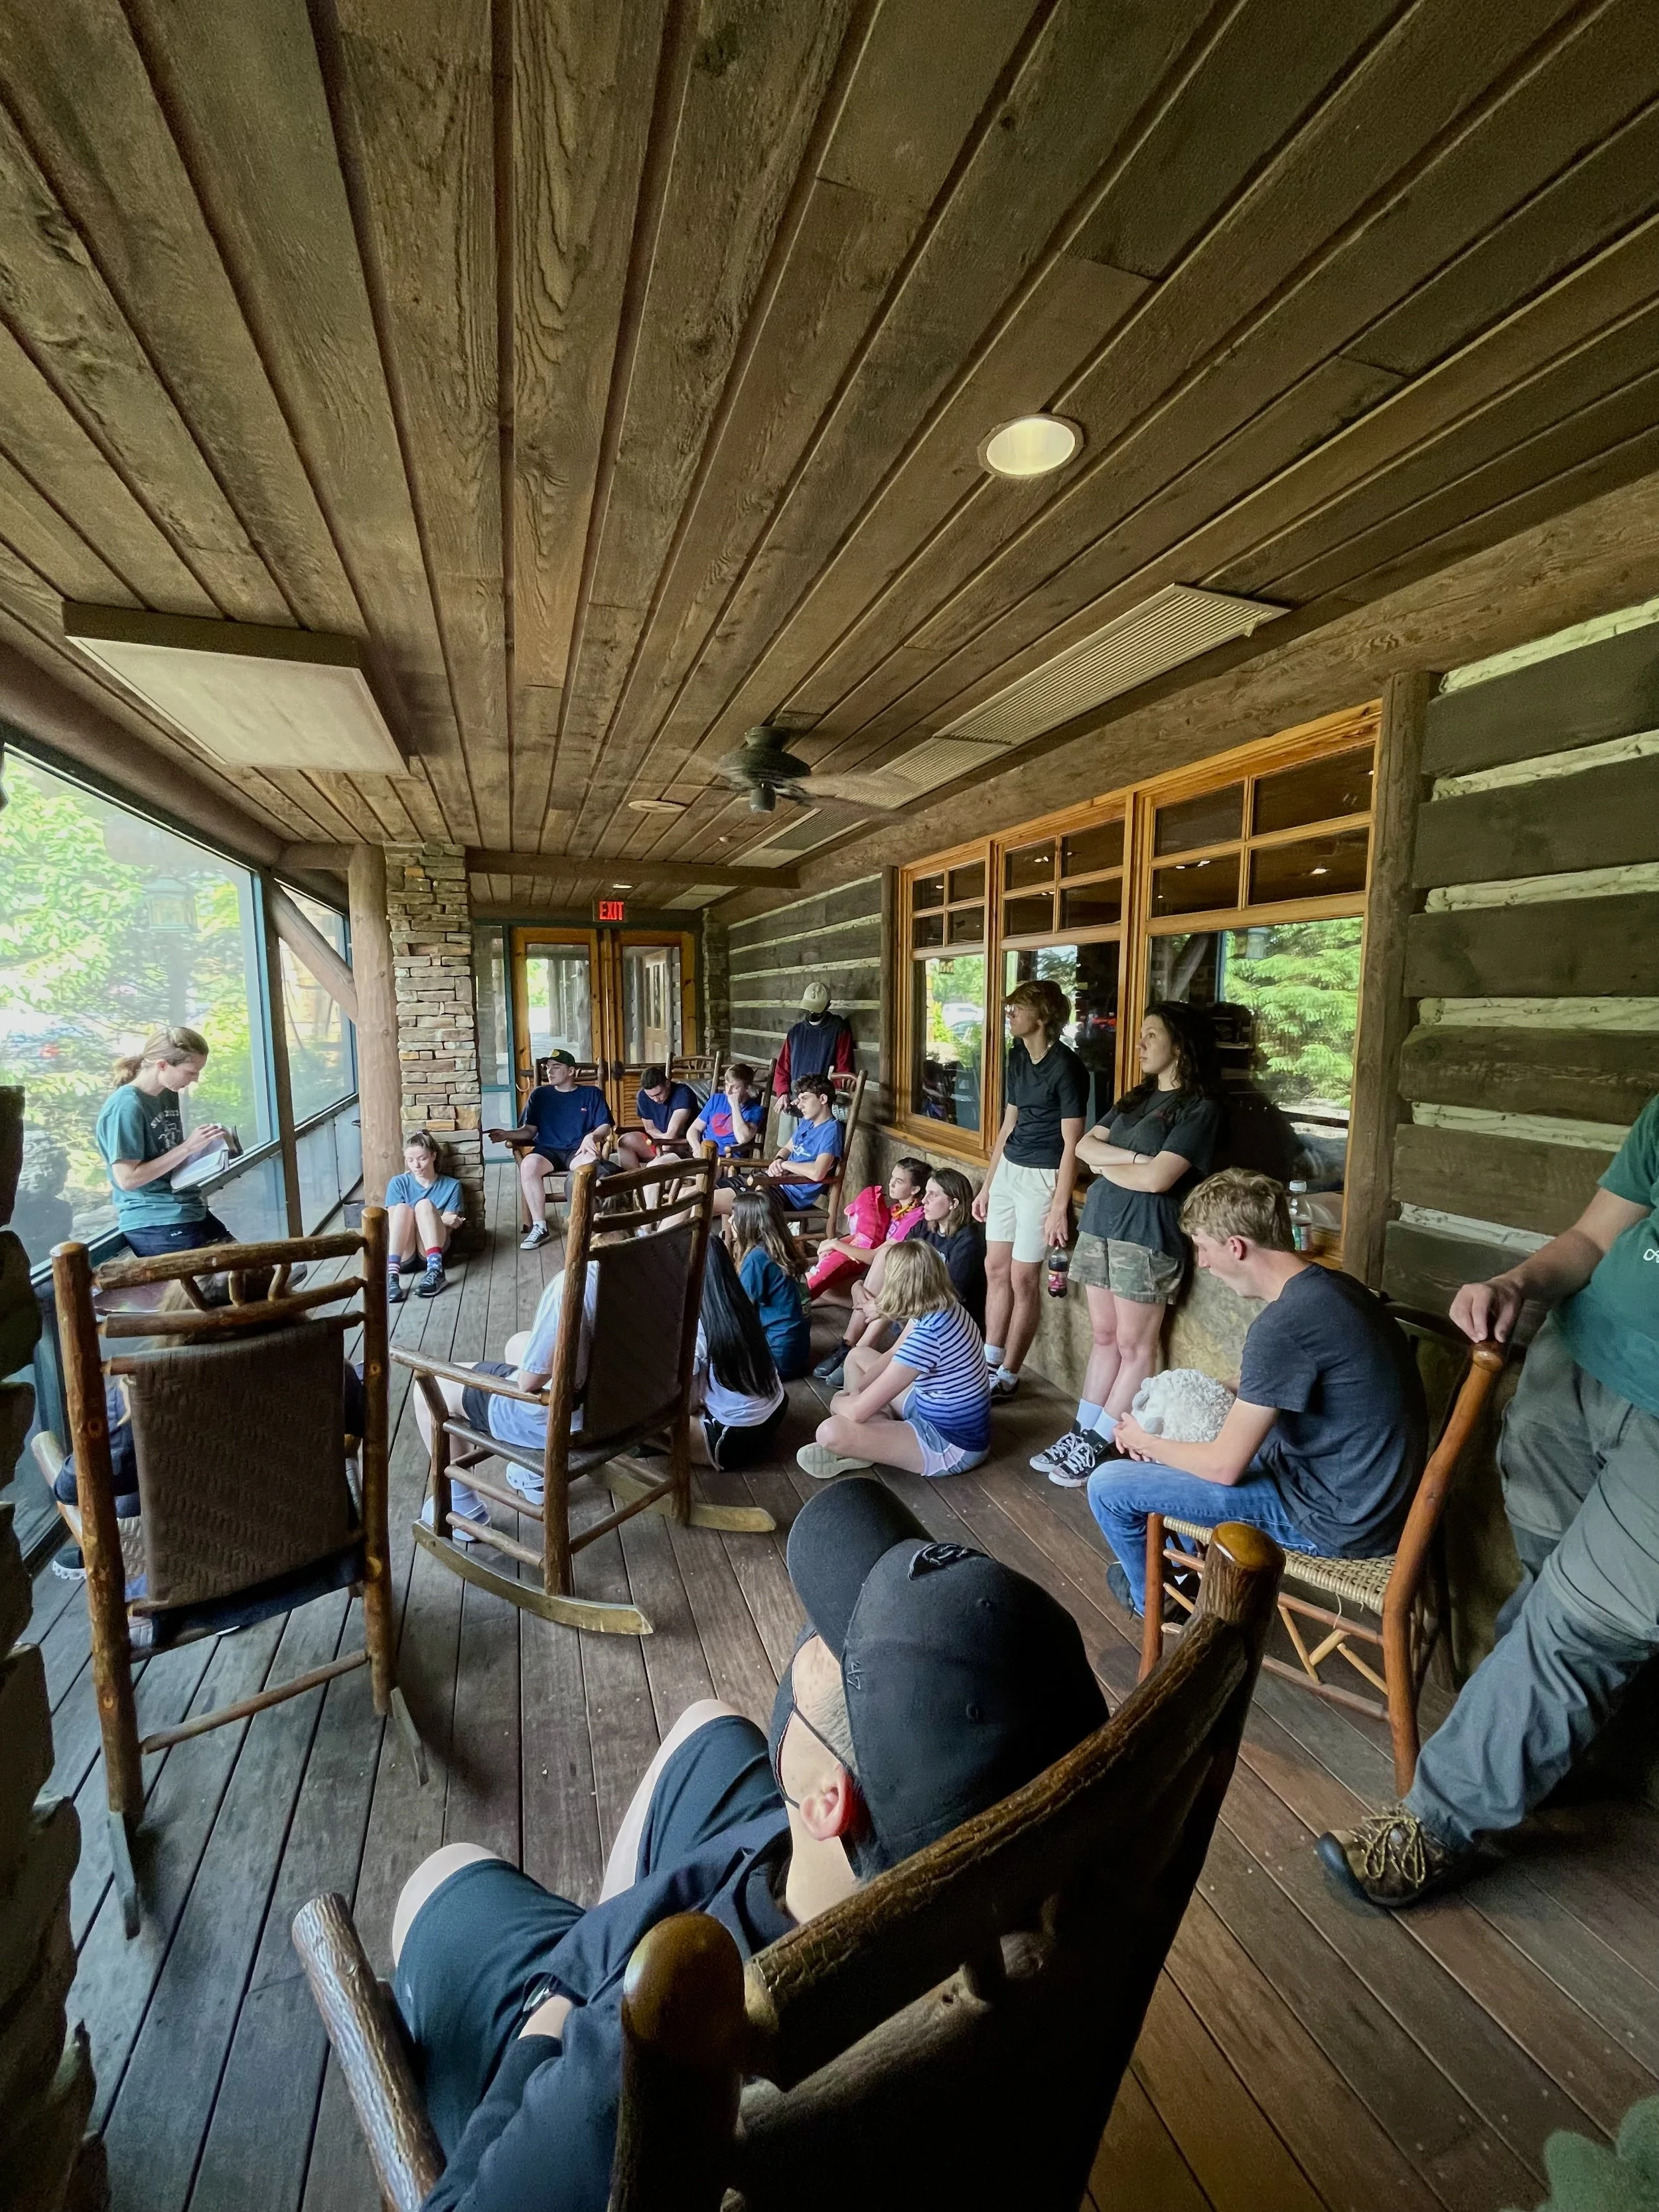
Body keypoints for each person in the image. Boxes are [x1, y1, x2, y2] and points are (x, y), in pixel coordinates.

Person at [388, 1477, 1106, 2212]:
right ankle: (607, 1929)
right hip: (849, 1908)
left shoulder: (632, 2081)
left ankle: (572, 1958)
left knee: (443, 1875)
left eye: (829, 1642)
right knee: (708, 1726)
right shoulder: (1043, 1881)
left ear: (829, 1802)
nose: (804, 1641)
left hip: (608, 2026)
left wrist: (555, 2016)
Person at [1318, 1092, 1659, 1909]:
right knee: (1551, 1586)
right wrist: (1515, 1282)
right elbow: (1591, 1238)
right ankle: (1563, 1761)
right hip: (1574, 1362)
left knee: (1584, 1624)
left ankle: (1438, 1823)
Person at [1086, 1168, 1427, 1620]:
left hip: (1334, 1518)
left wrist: (1146, 1441)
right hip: (1369, 1492)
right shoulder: (1335, 1287)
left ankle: (1160, 1600)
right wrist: (1208, 1392)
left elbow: (1225, 1467)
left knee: (1108, 1484)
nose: (1202, 1263)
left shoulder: (1282, 1325)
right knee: (1196, 1439)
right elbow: (1271, 1381)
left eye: (1203, 1247)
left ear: (1236, 1246)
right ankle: (1183, 1570)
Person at [1033, 1003, 1222, 1487]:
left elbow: (1161, 1178)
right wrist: (1135, 1159)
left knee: (1134, 1346)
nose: (1139, 1044)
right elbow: (1081, 1149)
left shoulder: (1199, 1108)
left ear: (1179, 1045)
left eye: (1151, 1035)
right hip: (1101, 1224)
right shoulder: (1135, 1099)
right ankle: (1081, 1431)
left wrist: (1116, 1163)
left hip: (1147, 1234)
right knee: (1103, 1338)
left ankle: (1101, 1443)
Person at [411, 1256, 601, 1538]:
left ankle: (461, 1504)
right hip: (621, 1409)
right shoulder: (660, 1260)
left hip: (570, 1422)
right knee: (518, 1344)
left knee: (431, 1389)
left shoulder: (576, 1282)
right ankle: (536, 1475)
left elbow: (528, 1383)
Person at [971, 979, 1089, 1400]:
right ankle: (988, 1358)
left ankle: (1009, 1372)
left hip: (1043, 1176)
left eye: (1018, 1008)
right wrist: (988, 1184)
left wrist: (1060, 1205)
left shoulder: (1068, 1068)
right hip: (1009, 1172)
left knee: (1024, 1277)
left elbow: (1073, 1142)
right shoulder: (1017, 1056)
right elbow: (1009, 1122)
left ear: (1042, 1017)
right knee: (995, 1268)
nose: (1010, 1015)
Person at [799, 1241, 991, 1483]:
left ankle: (871, 1441)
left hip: (952, 1445)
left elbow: (857, 1412)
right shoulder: (941, 1304)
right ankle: (877, 1436)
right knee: (858, 1356)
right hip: (928, 1406)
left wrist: (842, 1401)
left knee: (830, 1432)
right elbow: (892, 1354)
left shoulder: (929, 1336)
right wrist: (858, 1390)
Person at [812, 1165, 985, 1385]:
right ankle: (849, 1346)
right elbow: (893, 1264)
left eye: (934, 1195)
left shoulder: (968, 1243)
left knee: (889, 1299)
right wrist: (859, 1285)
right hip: (914, 1308)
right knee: (887, 1253)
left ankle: (857, 1353)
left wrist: (886, 1305)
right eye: (926, 1194)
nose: (925, 1201)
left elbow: (948, 1298)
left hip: (945, 1322)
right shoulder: (924, 1227)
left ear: (954, 1203)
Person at [95, 1025, 234, 1256]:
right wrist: (188, 1147)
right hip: (154, 1219)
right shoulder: (126, 1106)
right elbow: (127, 1179)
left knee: (252, 1273)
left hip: (185, 1207)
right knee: (229, 1283)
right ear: (162, 1065)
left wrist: (210, 1147)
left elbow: (166, 1154)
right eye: (191, 1072)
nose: (195, 1079)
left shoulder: (168, 1093)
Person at [487, 1051, 614, 1252]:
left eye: (556, 1067)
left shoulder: (591, 1094)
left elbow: (605, 1126)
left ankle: (588, 1223)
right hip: (548, 1150)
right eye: (548, 1067)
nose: (549, 1071)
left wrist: (592, 1137)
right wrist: (506, 1134)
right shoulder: (540, 1095)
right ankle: (539, 1226)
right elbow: (529, 1130)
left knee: (590, 1169)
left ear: (571, 1071)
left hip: (578, 1148)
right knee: (528, 1165)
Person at [689, 1236, 789, 1467]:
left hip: (734, 1437)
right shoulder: (739, 1302)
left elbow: (690, 1404)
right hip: (776, 1411)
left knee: (645, 1422)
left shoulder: (698, 1327)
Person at [713, 1070, 841, 1220]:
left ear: (823, 1099)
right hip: (772, 1181)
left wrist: (785, 1165)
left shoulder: (831, 1130)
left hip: (787, 1194)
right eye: (799, 1099)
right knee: (702, 1192)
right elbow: (787, 1148)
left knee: (708, 1201)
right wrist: (778, 1161)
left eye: (805, 1099)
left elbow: (817, 1172)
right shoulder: (808, 1123)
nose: (800, 1105)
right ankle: (722, 1240)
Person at [804, 1155, 927, 1301]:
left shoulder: (915, 1218)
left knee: (826, 1285)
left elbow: (874, 1257)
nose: (891, 1184)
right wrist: (833, 1244)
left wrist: (836, 1245)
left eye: (899, 1182)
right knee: (825, 1283)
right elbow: (864, 1236)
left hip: (893, 1275)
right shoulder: (896, 1209)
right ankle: (863, 1307)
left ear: (915, 1189)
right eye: (892, 1178)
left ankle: (876, 1309)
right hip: (872, 1267)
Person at [727, 1187, 812, 1382]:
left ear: (748, 1224)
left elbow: (741, 1313)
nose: (731, 1220)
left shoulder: (757, 1258)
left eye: (734, 1215)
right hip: (797, 1355)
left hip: (776, 1361)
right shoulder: (782, 1249)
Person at [384, 1132, 466, 1302]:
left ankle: (436, 1271)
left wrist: (432, 1216)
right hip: (403, 1254)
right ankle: (392, 1276)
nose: (417, 1166)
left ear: (433, 1156)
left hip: (431, 1251)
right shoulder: (398, 1183)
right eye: (410, 1160)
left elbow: (452, 1226)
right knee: (401, 1209)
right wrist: (439, 1218)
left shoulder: (452, 1186)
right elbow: (394, 1222)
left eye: (422, 1158)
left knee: (424, 1205)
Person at [771, 980, 855, 1104]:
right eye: (809, 1008)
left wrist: (826, 1096)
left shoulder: (838, 1029)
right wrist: (783, 1093)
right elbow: (783, 1067)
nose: (811, 1013)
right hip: (793, 1099)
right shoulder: (796, 1032)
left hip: (820, 1101)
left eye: (816, 1010)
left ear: (827, 1006)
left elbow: (843, 1068)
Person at [618, 1065, 699, 1167]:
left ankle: (651, 1176)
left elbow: (672, 1134)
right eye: (651, 1096)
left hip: (681, 1143)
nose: (656, 1099)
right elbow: (650, 1129)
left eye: (659, 1094)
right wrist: (660, 1141)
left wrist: (660, 1152)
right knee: (624, 1142)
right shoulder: (642, 1096)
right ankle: (635, 1181)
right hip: (658, 1141)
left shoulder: (683, 1093)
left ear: (667, 1084)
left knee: (665, 1150)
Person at [687, 1062, 766, 1159]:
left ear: (747, 1088)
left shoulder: (755, 1110)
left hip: (724, 1159)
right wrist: (697, 1148)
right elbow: (694, 1129)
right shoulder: (716, 1099)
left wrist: (735, 1106)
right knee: (666, 1163)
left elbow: (742, 1138)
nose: (728, 1092)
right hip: (703, 1152)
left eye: (735, 1087)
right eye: (727, 1085)